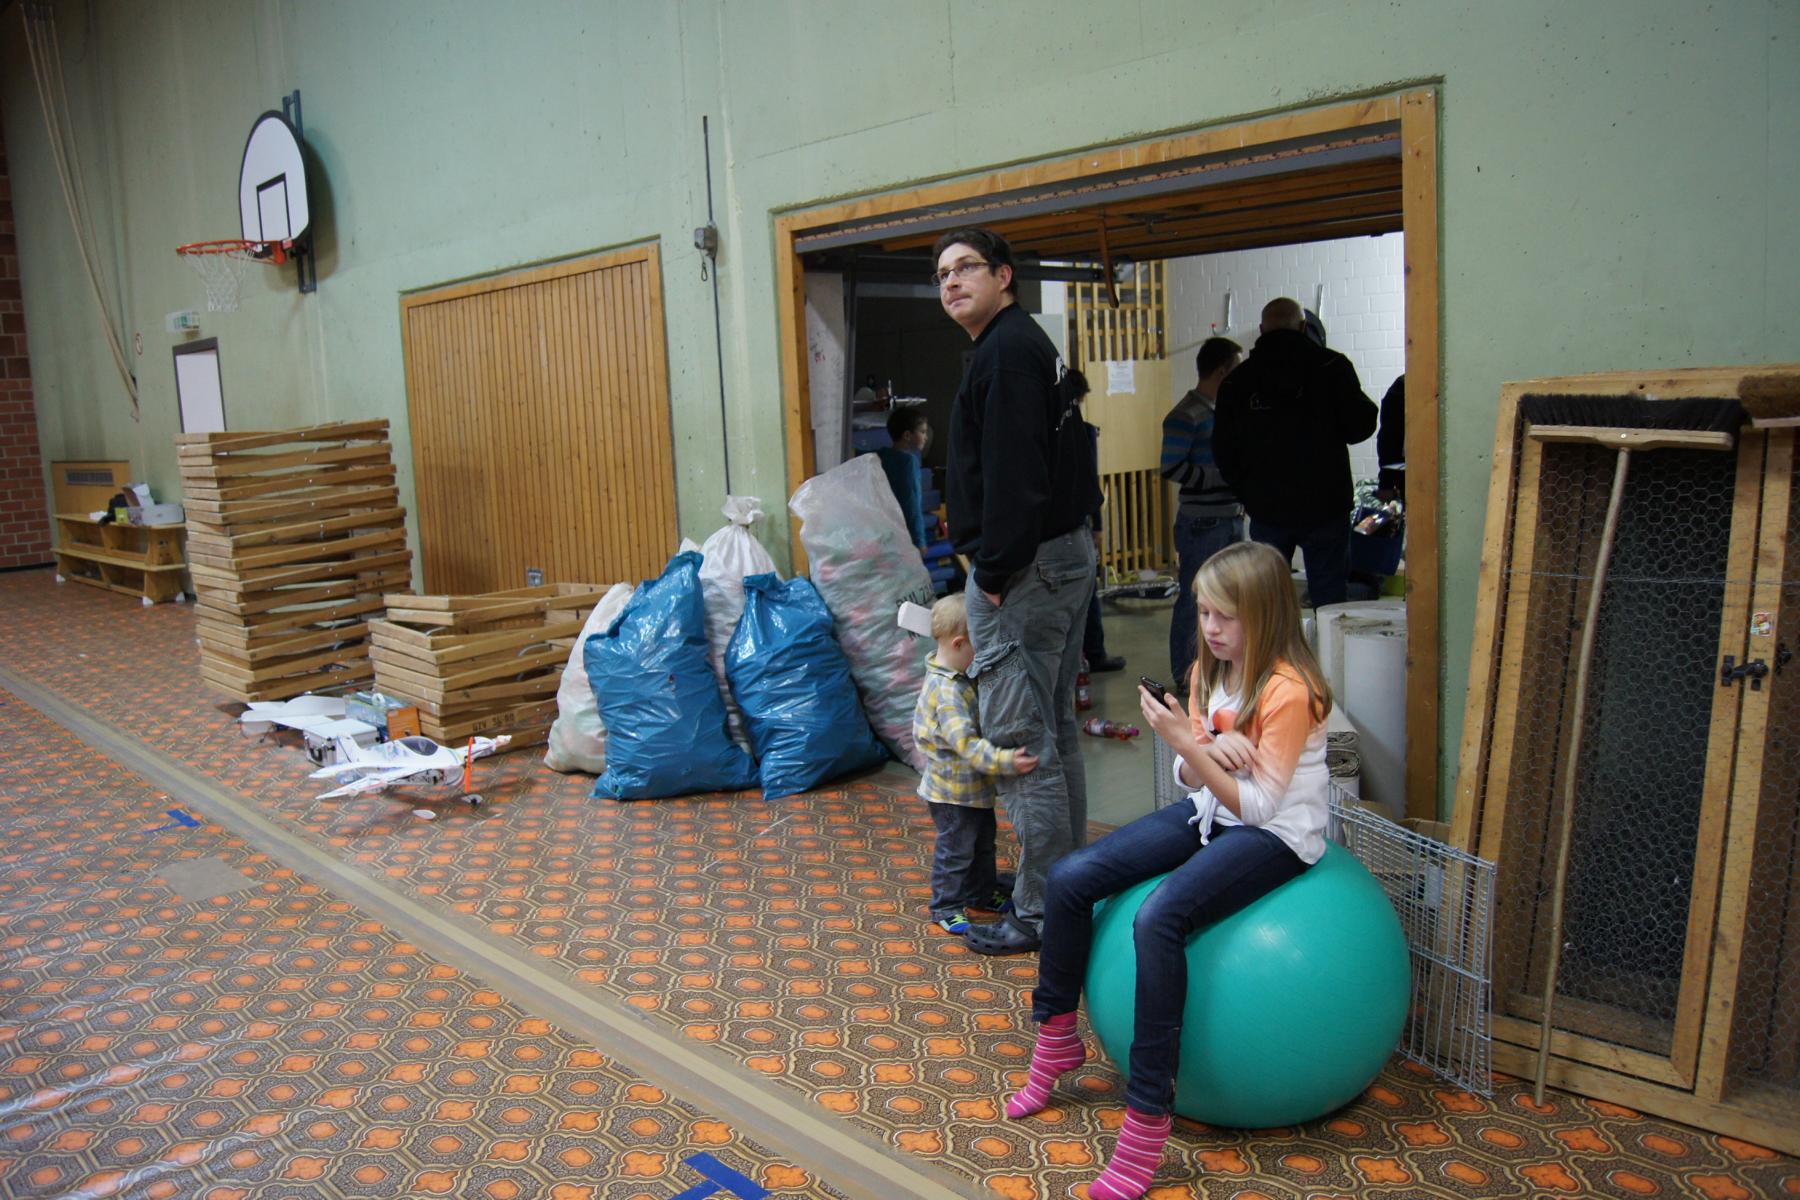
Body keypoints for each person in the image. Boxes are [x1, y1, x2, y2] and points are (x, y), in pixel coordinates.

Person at [1002, 541, 1332, 1200]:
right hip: (1212, 811)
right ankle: (1057, 1035)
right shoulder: (1210, 670)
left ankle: (1148, 1116)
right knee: (1070, 878)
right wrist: (1201, 750)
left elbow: (1261, 806)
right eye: (1205, 612)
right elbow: (1189, 775)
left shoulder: (1290, 690)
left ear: (1264, 614)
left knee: (1158, 919)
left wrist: (1192, 744)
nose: (1211, 627)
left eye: (1225, 616)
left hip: (1276, 836)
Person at [936, 225, 1102, 956]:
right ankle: (1068, 890)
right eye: (942, 273)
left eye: (966, 267)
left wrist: (995, 572)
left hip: (1026, 569)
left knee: (1024, 744)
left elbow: (1016, 474)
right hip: (1062, 554)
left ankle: (1039, 913)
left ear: (1004, 276)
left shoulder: (1005, 353)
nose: (951, 281)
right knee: (1055, 733)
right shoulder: (1024, 343)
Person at [1213, 298, 1377, 608]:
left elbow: (1223, 449)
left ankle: (1272, 643)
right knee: (1330, 602)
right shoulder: (1331, 367)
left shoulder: (1238, 381)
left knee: (1268, 600)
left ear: (1262, 330)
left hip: (1267, 507)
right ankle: (1328, 641)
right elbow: (1361, 427)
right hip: (1325, 505)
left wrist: (1248, 494)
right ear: (1303, 327)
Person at [913, 592, 1040, 935]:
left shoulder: (958, 676)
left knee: (983, 844)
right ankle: (945, 905)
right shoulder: (947, 693)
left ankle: (980, 893)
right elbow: (967, 746)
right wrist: (1005, 761)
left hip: (972, 790)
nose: (981, 654)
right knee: (956, 851)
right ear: (958, 644)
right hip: (952, 794)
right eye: (978, 646)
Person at [1159, 336, 1243, 687]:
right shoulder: (1185, 414)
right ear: (1222, 371)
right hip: (1202, 524)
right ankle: (1185, 674)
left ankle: (1215, 670)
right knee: (1195, 598)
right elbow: (1170, 467)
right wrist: (1221, 476)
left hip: (1229, 517)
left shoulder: (1221, 411)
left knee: (1228, 598)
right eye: (1236, 369)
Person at [1067, 368, 1124, 673]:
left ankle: (1087, 655)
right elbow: (1092, 483)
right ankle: (1094, 653)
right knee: (1087, 592)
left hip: (1057, 527)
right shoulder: (1082, 430)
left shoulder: (1043, 428)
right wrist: (1098, 526)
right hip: (1076, 524)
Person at [875, 405, 932, 552]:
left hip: (882, 531)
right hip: (903, 535)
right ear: (907, 435)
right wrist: (919, 541)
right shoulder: (909, 463)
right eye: (922, 432)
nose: (926, 437)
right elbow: (912, 505)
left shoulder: (881, 455)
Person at [1376, 373, 1405, 501]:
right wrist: (1385, 483)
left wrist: (1385, 483)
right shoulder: (1401, 387)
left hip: (1411, 472)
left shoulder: (1401, 387)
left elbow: (1388, 438)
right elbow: (1389, 438)